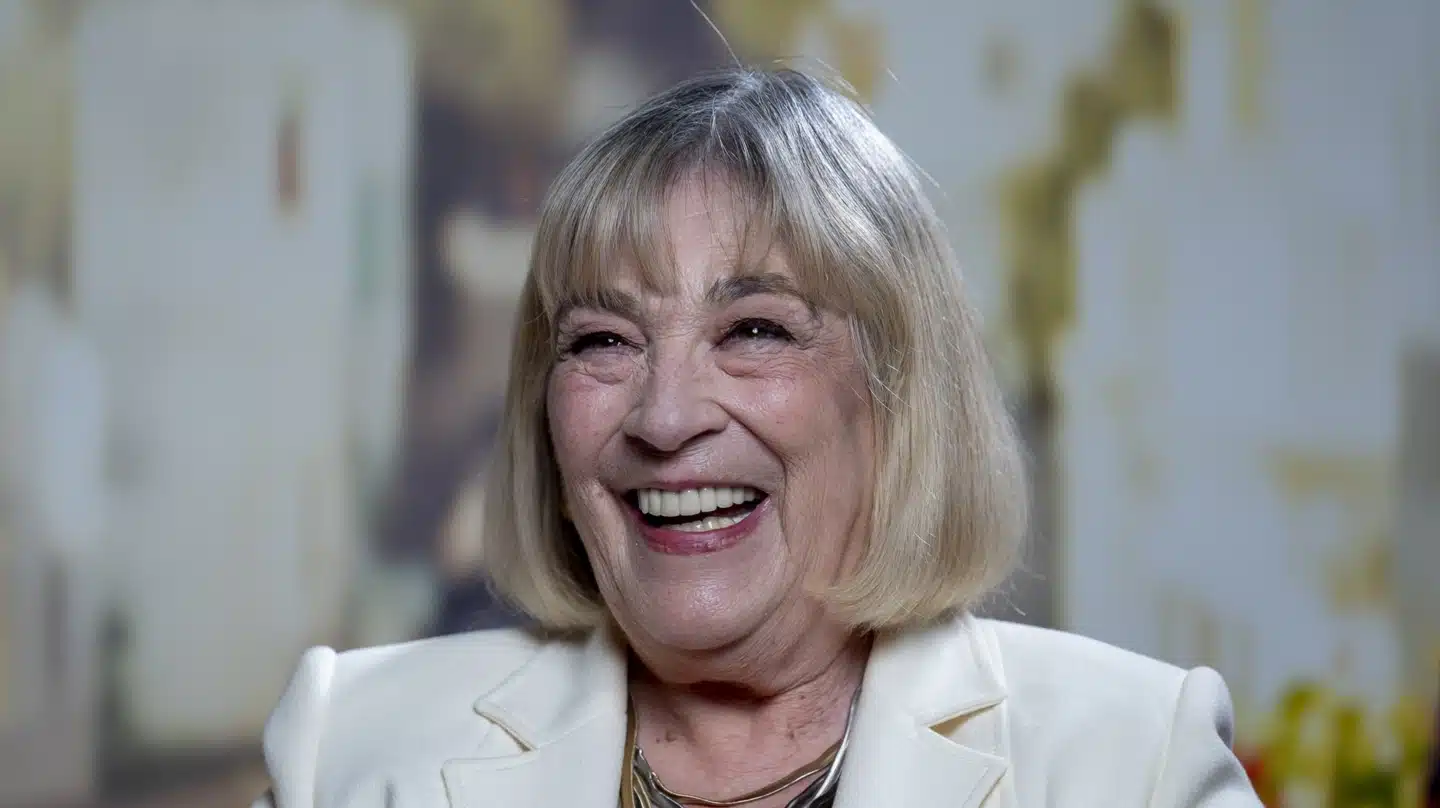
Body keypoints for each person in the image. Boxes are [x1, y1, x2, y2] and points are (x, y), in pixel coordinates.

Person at [254, 68, 1262, 808]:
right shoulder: (346, 747)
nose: (664, 417)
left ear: (898, 396)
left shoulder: (1135, 762)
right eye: (603, 341)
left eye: (755, 331)